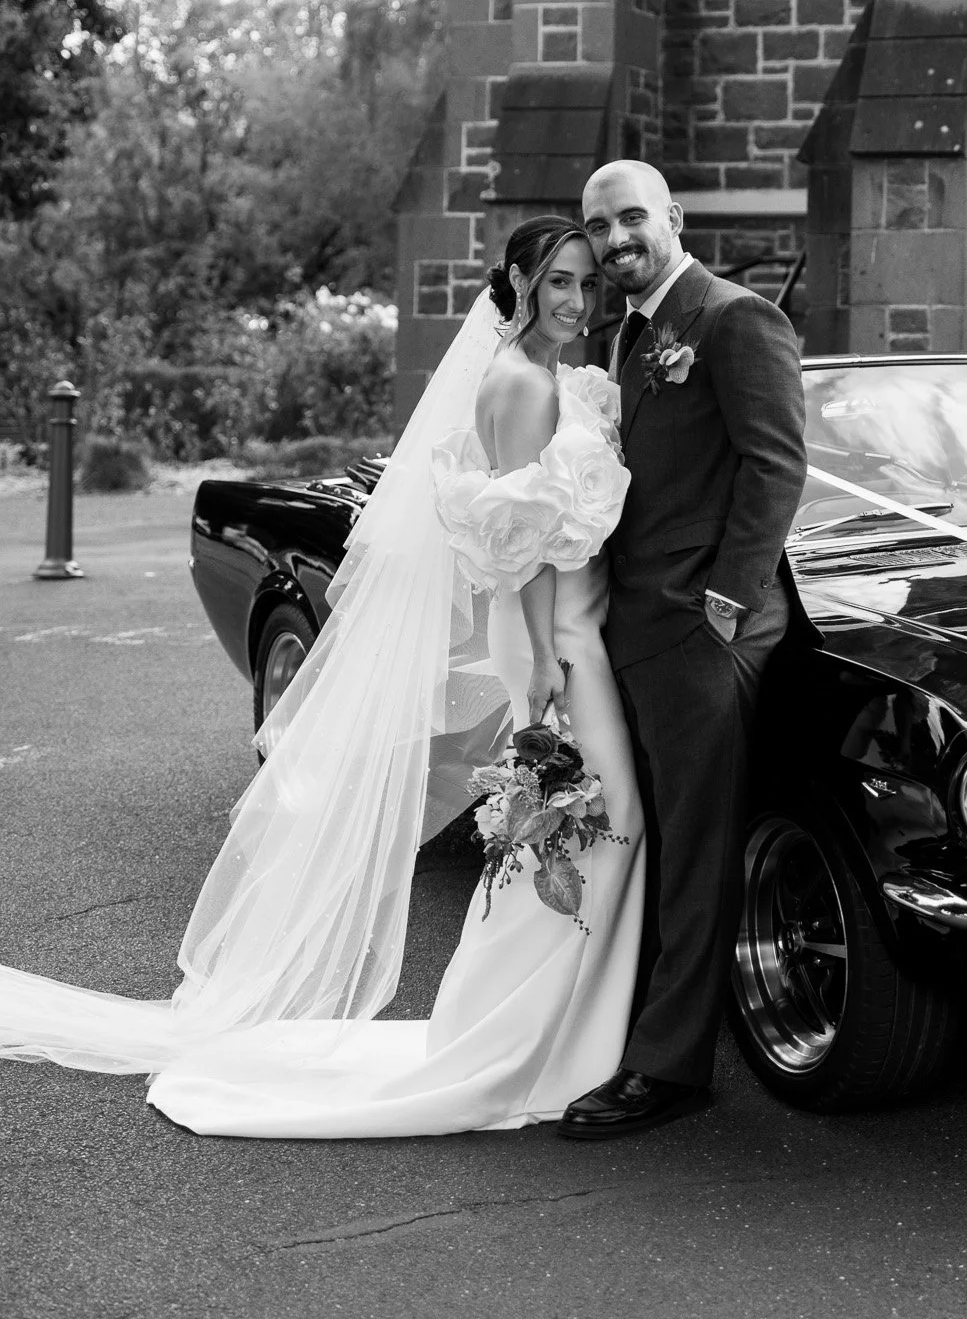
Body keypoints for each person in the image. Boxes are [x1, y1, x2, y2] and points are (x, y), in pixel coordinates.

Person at [0, 217, 646, 1137]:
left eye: (585, 285)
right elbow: (528, 547)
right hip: (558, 636)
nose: (576, 302)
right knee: (591, 820)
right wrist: (544, 661)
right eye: (557, 284)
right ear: (517, 282)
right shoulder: (520, 383)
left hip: (566, 624)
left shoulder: (539, 375)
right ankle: (529, 1034)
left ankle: (546, 1023)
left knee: (569, 826)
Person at [560, 161, 807, 1140]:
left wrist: (725, 602)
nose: (616, 238)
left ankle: (670, 1069)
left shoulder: (733, 318)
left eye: (631, 218)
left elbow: (777, 462)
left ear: (672, 217)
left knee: (696, 856)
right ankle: (632, 1026)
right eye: (599, 225)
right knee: (646, 842)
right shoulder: (627, 333)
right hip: (629, 626)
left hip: (702, 636)